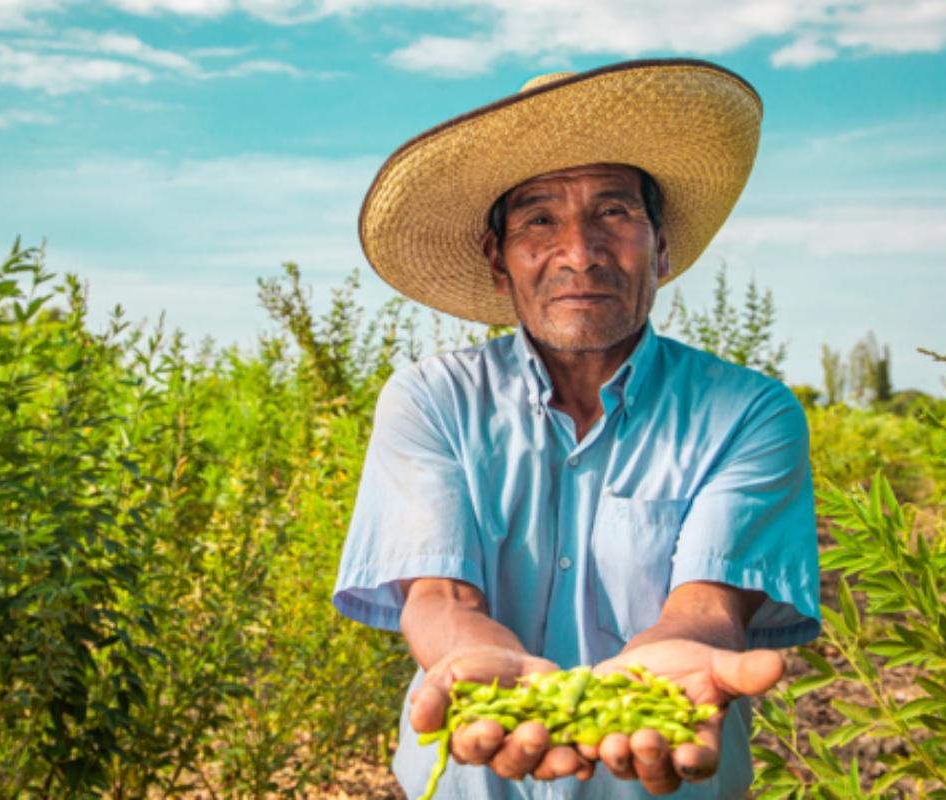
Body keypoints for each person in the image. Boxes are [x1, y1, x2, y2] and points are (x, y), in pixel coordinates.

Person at [332, 60, 820, 799]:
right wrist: (469, 656)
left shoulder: (749, 412)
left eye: (614, 213)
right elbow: (440, 596)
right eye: (539, 221)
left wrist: (678, 656)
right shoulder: (432, 401)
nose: (581, 252)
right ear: (499, 260)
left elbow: (708, 607)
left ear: (661, 247)